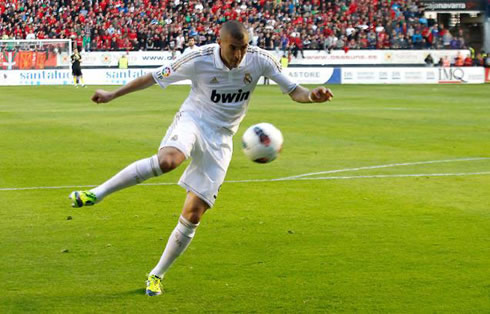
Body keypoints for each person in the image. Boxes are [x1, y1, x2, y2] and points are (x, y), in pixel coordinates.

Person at [68, 21, 333, 297]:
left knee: (193, 214)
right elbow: (154, 77)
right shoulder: (198, 58)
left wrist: (312, 96)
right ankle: (97, 194)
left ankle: (156, 275)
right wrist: (113, 94)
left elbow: (295, 91)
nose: (239, 55)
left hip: (221, 140)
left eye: (243, 48)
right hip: (193, 121)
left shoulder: (260, 59)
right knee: (169, 160)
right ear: (220, 42)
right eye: (233, 48)